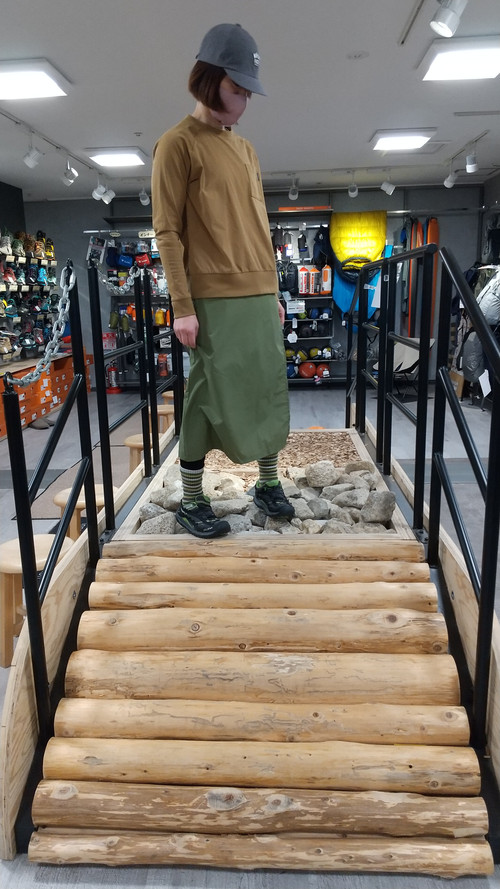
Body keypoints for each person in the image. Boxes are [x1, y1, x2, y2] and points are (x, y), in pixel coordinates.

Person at [152, 22, 294, 539]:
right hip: (211, 299)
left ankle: (268, 481)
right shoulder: (176, 144)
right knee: (206, 394)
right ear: (209, 79)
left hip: (258, 294)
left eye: (248, 92)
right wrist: (182, 306)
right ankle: (192, 500)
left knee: (266, 384)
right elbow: (167, 231)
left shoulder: (247, 150)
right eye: (237, 88)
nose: (243, 101)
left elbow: (258, 224)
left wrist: (273, 291)